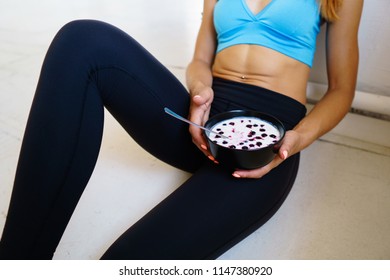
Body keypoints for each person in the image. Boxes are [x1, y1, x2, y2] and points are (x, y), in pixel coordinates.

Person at [0, 0, 363, 260]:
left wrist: (296, 139)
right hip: (204, 118)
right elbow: (200, 60)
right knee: (82, 41)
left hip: (268, 140)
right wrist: (199, 90)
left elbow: (341, 91)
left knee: (128, 262)